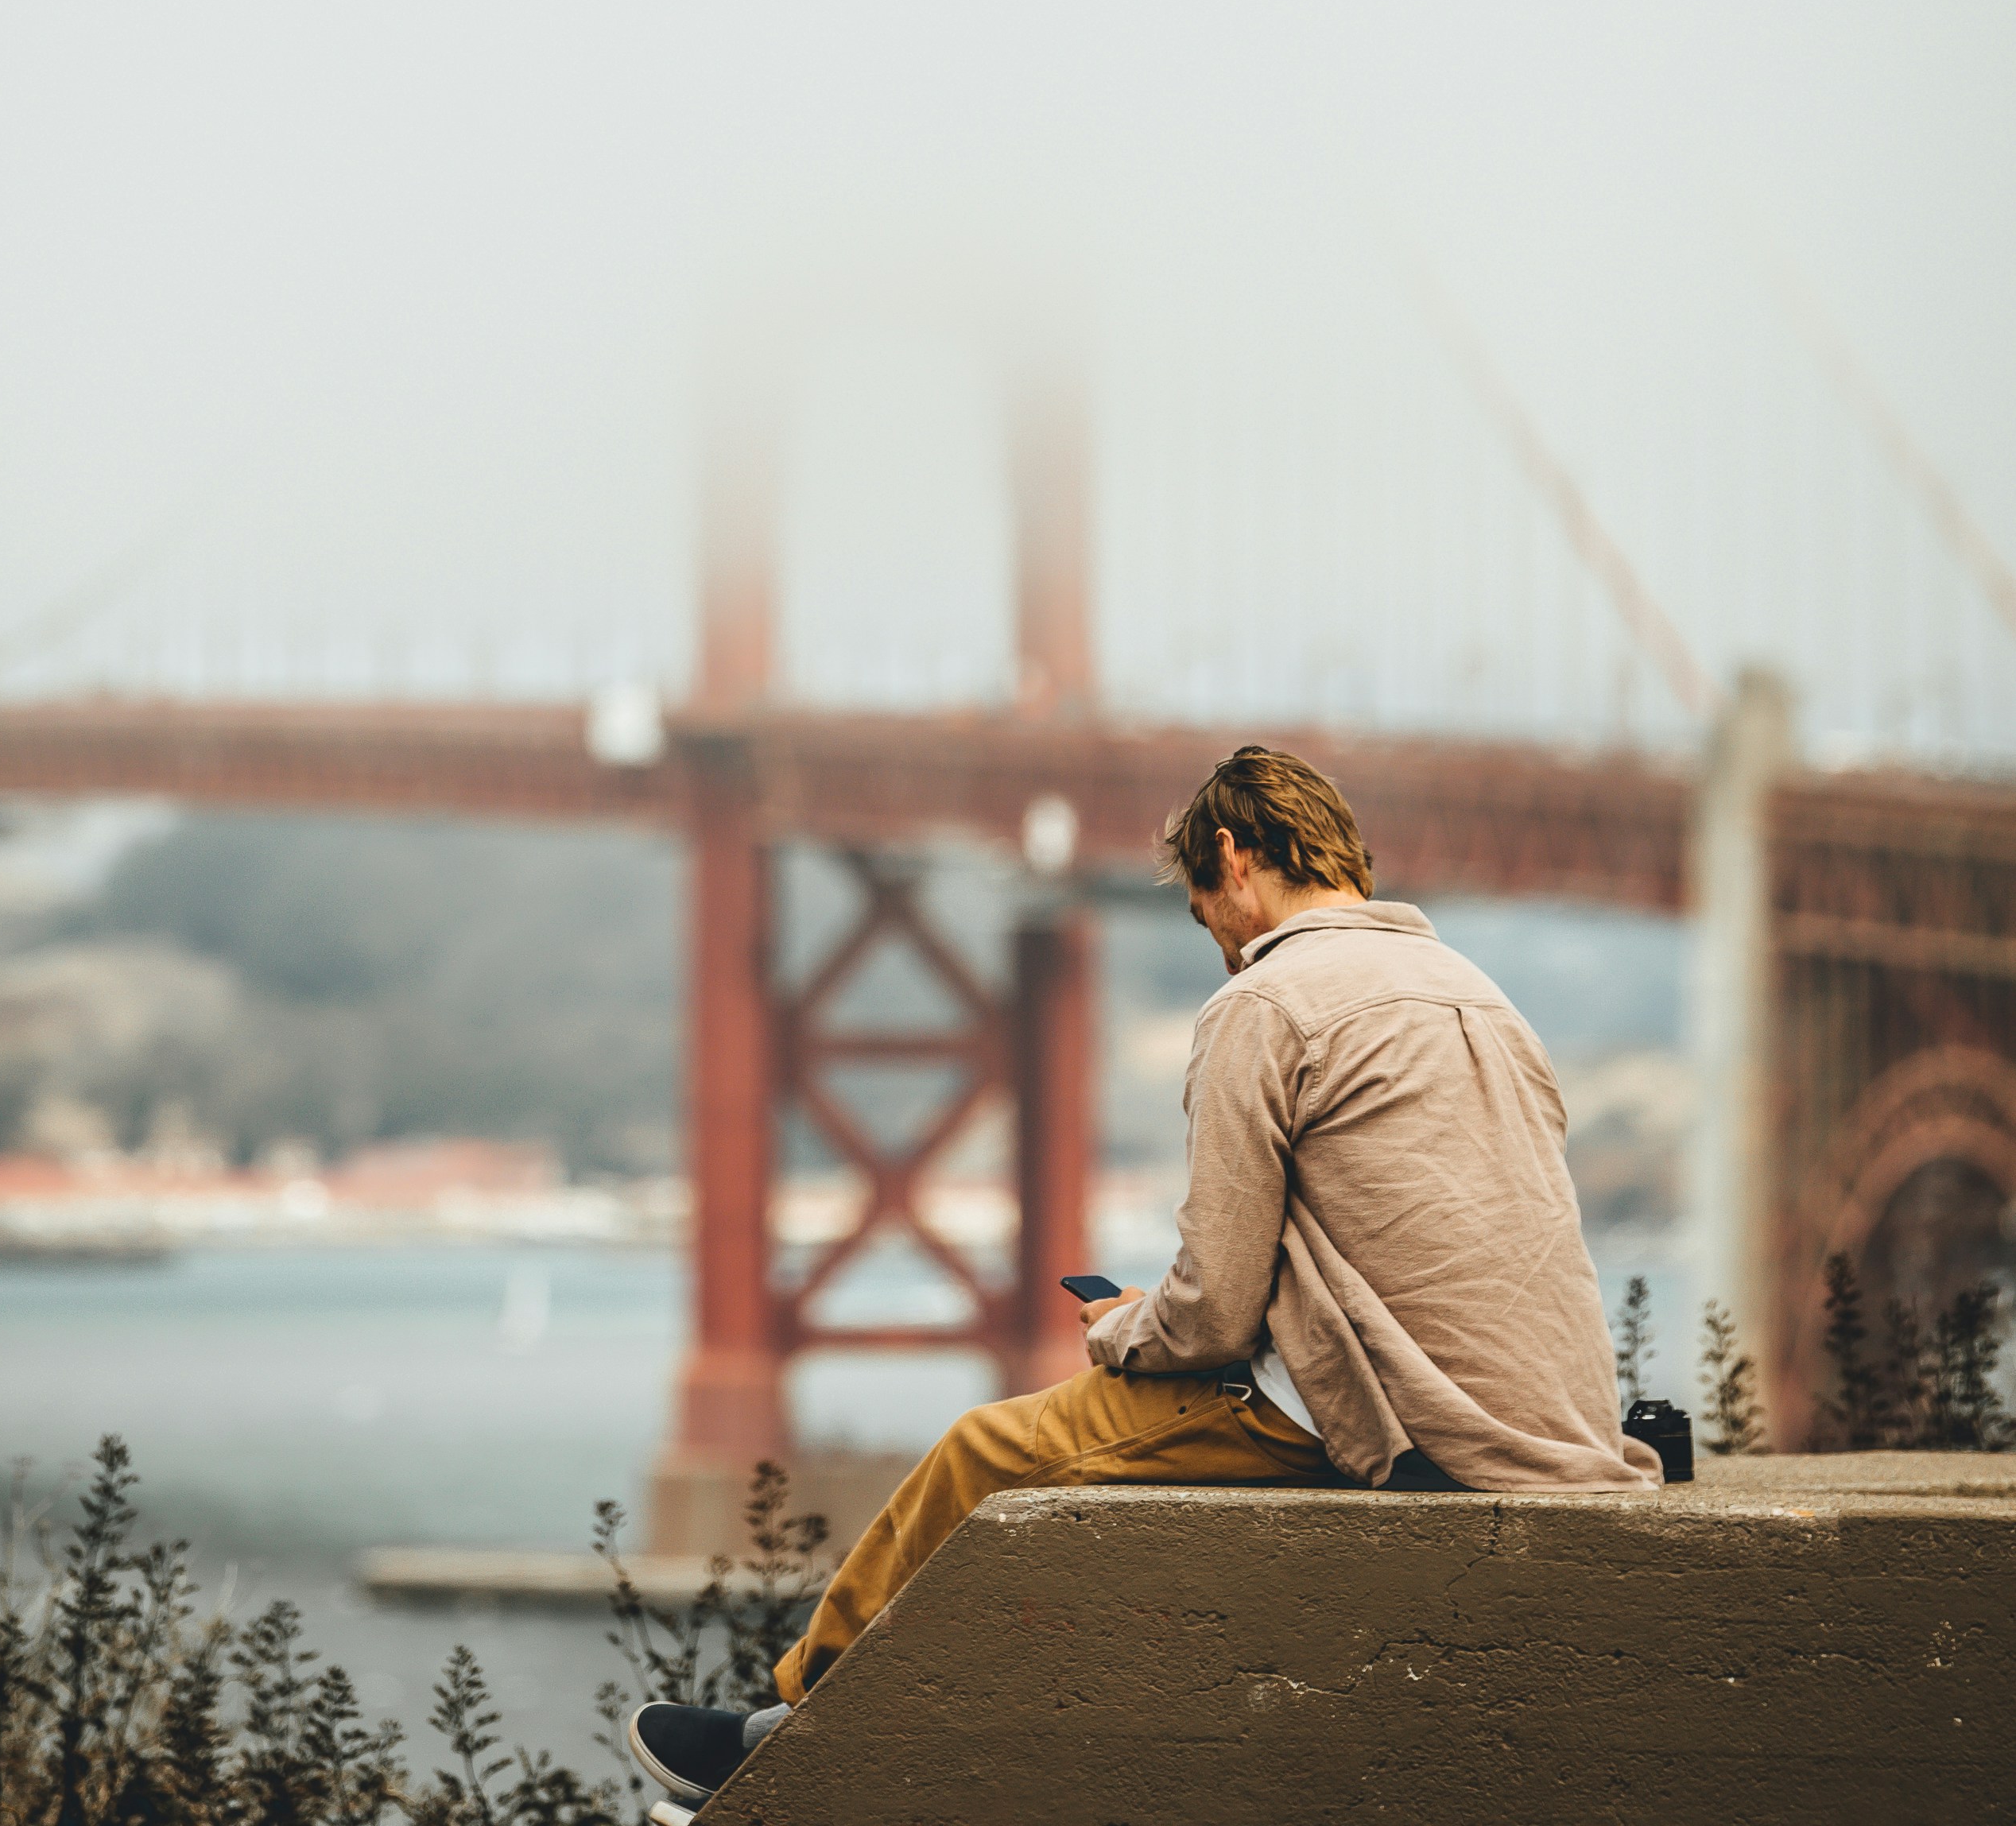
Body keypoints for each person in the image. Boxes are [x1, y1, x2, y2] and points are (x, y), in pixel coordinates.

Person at [627, 742, 1657, 1816]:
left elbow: (1213, 1311)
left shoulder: (1266, 1004)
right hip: (1551, 1417)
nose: (1213, 941)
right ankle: (797, 1733)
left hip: (1391, 1417)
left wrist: (1123, 1329)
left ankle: (781, 1741)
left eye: (1200, 907)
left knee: (985, 1449)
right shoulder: (1477, 993)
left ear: (1229, 853)